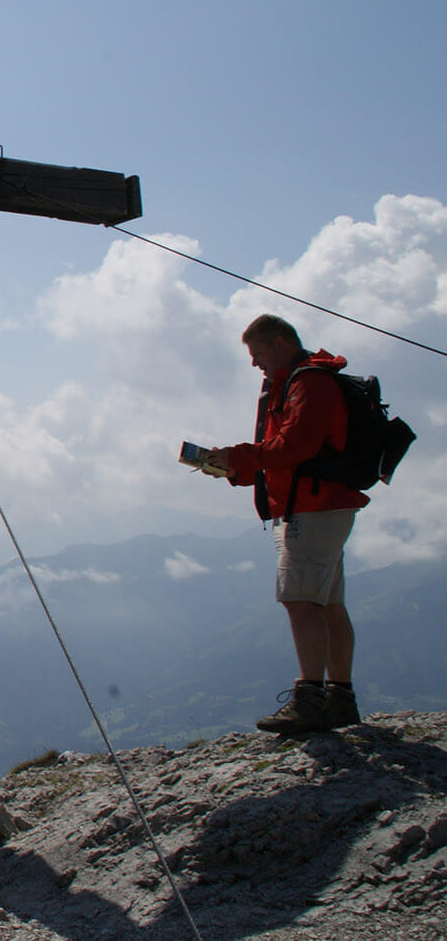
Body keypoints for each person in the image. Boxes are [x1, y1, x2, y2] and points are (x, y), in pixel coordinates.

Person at [204, 314, 366, 736]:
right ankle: (340, 697)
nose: (255, 363)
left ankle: (311, 698)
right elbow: (290, 453)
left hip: (313, 507)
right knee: (327, 601)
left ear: (279, 342)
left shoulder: (307, 383)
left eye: (257, 353)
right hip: (321, 502)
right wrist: (234, 470)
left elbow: (297, 445)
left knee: (300, 600)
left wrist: (239, 457)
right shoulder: (300, 381)